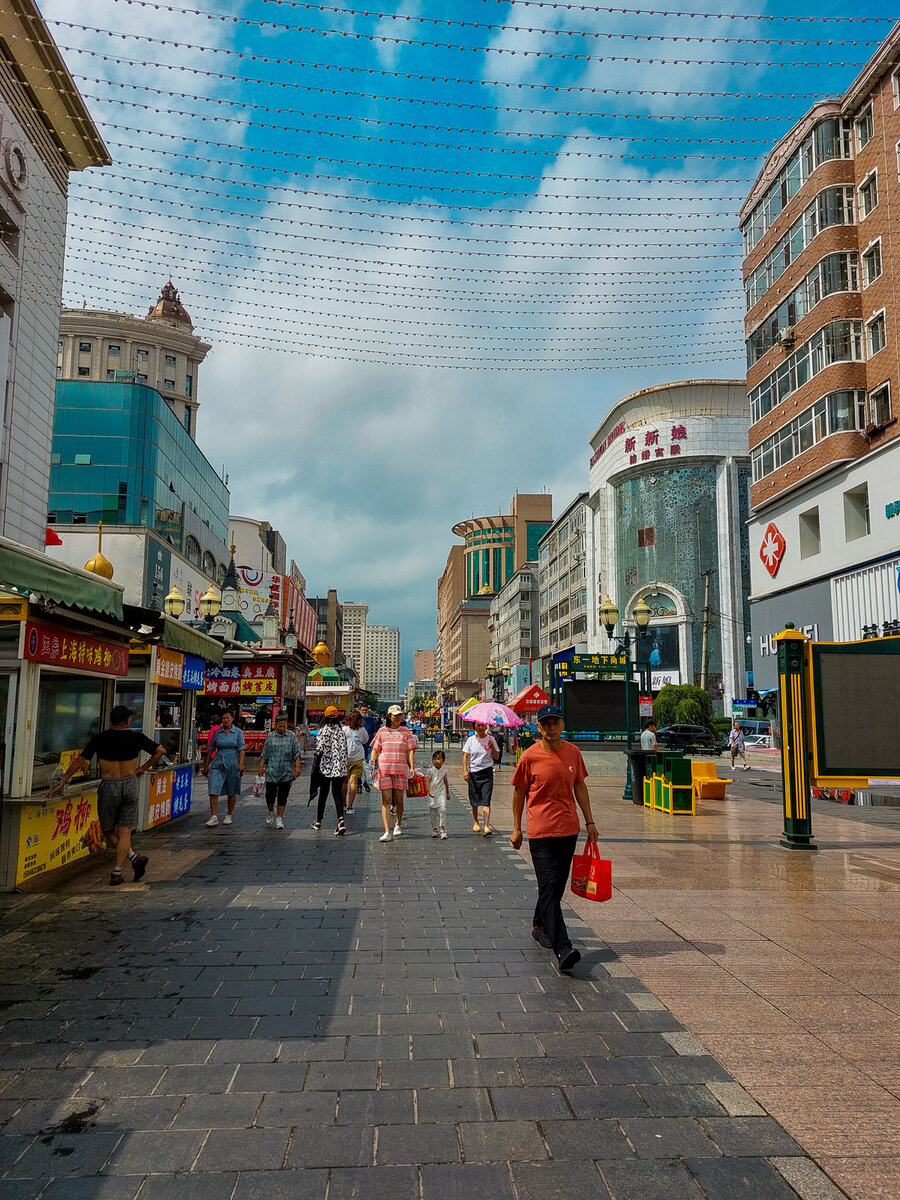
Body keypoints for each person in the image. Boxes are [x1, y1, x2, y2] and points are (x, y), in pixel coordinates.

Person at [510, 703, 598, 974]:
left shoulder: (573, 752)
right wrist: (516, 828)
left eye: (555, 722)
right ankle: (563, 947)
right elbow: (518, 793)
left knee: (554, 888)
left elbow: (580, 786)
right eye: (545, 723)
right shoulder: (529, 756)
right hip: (541, 832)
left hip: (568, 830)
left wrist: (590, 822)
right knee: (549, 885)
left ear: (562, 725)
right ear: (538, 727)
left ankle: (539, 925)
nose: (550, 727)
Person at [46, 705, 164, 886]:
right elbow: (160, 752)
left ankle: (128, 862)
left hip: (109, 785)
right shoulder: (136, 737)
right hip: (130, 782)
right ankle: (123, 866)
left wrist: (63, 781)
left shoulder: (100, 738)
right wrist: (142, 769)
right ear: (126, 721)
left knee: (108, 830)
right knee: (125, 831)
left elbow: (80, 760)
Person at [370, 704, 417, 841]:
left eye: (400, 715)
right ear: (389, 716)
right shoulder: (382, 731)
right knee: (386, 800)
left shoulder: (406, 731)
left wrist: (412, 768)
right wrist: (372, 759)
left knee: (399, 800)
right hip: (384, 770)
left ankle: (398, 823)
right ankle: (387, 831)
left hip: (401, 770)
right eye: (395, 715)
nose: (398, 717)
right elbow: (375, 748)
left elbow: (410, 751)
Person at [202, 709, 245, 827]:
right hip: (218, 763)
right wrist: (206, 766)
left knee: (232, 790)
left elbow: (242, 749)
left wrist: (241, 763)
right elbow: (210, 749)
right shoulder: (217, 733)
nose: (226, 720)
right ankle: (214, 816)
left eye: (228, 718)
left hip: (233, 763)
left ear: (232, 718)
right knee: (213, 788)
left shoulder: (238, 732)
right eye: (224, 718)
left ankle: (229, 815)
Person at [260, 713, 301, 830]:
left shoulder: (291, 736)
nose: (282, 728)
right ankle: (270, 810)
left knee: (283, 796)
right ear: (275, 726)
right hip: (272, 771)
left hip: (286, 771)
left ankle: (279, 818)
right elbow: (265, 754)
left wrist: (297, 767)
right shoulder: (270, 737)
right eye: (280, 726)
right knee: (270, 795)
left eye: (284, 726)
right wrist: (261, 767)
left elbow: (296, 753)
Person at [312, 705, 348, 835]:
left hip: (325, 767)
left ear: (325, 717)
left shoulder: (322, 731)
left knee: (323, 794)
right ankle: (341, 820)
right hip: (340, 768)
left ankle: (318, 821)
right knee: (337, 794)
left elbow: (319, 748)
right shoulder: (341, 731)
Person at [462, 720, 500, 836]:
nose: (480, 727)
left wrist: (492, 747)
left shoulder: (491, 739)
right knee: (474, 800)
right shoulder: (471, 740)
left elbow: (496, 756)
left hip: (487, 772)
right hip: (474, 772)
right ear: (474, 726)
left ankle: (486, 826)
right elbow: (466, 756)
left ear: (485, 726)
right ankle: (476, 821)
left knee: (486, 800)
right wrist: (465, 770)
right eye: (478, 725)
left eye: (482, 725)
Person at [342, 710, 369, 814]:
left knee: (344, 782)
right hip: (357, 758)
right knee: (353, 783)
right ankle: (350, 807)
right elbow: (365, 740)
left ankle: (343, 804)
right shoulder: (362, 730)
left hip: (344, 758)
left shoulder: (344, 729)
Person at [427, 749, 450, 839]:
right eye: (435, 759)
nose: (436, 761)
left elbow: (446, 782)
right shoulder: (430, 771)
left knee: (443, 809)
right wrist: (429, 791)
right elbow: (427, 781)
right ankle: (434, 829)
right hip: (433, 794)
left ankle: (442, 829)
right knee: (433, 813)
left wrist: (447, 793)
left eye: (439, 759)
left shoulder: (444, 771)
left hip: (441, 793)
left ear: (443, 761)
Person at [359, 704, 379, 792]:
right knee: (358, 766)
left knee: (369, 765)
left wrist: (376, 745)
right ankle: (358, 784)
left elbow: (374, 732)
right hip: (359, 746)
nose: (364, 712)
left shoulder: (371, 720)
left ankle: (367, 782)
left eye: (366, 710)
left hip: (369, 746)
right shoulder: (357, 720)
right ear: (360, 711)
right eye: (363, 710)